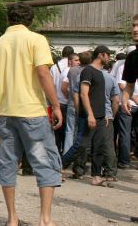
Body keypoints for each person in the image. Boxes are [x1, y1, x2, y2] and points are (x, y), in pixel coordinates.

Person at [0, 2, 62, 226]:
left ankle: (12, 219)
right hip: (33, 112)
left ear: (8, 19)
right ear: (30, 20)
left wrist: (1, 102)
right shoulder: (36, 40)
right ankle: (45, 220)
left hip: (8, 112)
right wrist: (56, 105)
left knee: (8, 163)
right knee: (44, 163)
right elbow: (42, 73)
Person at [62, 46, 112, 186]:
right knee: (81, 145)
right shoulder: (88, 71)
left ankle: (96, 176)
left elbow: (99, 95)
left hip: (101, 115)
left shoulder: (100, 72)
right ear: (100, 55)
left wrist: (105, 114)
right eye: (107, 55)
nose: (109, 58)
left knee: (98, 146)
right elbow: (83, 93)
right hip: (89, 115)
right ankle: (58, 166)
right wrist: (90, 114)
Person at [119, 14, 138, 169]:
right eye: (133, 26)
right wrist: (125, 99)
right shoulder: (132, 57)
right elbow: (129, 85)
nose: (135, 29)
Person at [51, 46, 74, 153]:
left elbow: (51, 85)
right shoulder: (73, 66)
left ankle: (56, 150)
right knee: (68, 129)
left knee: (56, 129)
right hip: (68, 101)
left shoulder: (54, 67)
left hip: (56, 100)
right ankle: (66, 151)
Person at [60, 53, 81, 153]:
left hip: (70, 103)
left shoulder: (71, 70)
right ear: (70, 61)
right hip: (71, 103)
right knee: (72, 129)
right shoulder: (69, 71)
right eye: (76, 60)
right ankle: (69, 152)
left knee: (70, 129)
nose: (78, 62)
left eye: (79, 60)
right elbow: (64, 87)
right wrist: (69, 97)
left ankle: (67, 152)